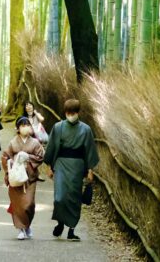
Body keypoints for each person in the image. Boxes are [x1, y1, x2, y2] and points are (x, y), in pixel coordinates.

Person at [43, 98, 99, 242]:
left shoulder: (86, 129)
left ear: (78, 112)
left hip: (78, 166)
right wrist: (49, 166)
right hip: (61, 164)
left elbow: (90, 150)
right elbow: (51, 147)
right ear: (65, 112)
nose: (71, 114)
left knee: (74, 198)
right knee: (60, 197)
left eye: (73, 112)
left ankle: (71, 230)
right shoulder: (58, 127)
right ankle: (60, 223)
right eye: (68, 112)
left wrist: (90, 170)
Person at [2, 117, 46, 240]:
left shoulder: (35, 143)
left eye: (27, 125)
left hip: (29, 177)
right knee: (18, 204)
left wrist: (27, 157)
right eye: (22, 125)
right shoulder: (13, 142)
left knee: (29, 204)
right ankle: (21, 228)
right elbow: (5, 156)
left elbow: (40, 156)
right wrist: (10, 166)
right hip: (16, 177)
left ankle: (27, 225)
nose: (25, 127)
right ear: (18, 128)